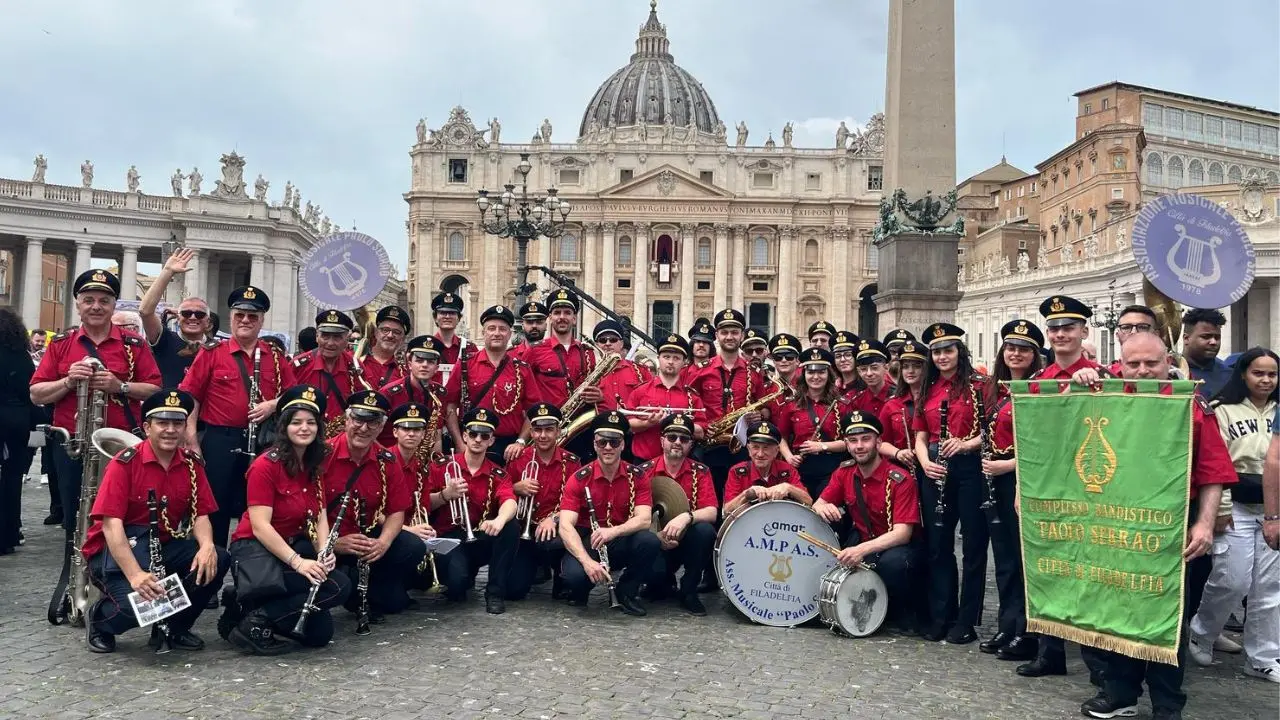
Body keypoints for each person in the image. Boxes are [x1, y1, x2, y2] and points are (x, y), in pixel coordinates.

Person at [1079, 331, 1236, 720]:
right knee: (1115, 610)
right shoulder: (1107, 396)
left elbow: (1212, 471)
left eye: (1152, 363)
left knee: (1168, 618)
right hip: (1114, 525)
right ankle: (1121, 693)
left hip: (1172, 527)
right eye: (1134, 364)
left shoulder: (1191, 406)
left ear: (1168, 362)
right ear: (1121, 364)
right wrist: (1078, 381)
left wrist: (1203, 524)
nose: (1143, 370)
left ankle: (1167, 702)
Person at [30, 269, 162, 624]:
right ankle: (75, 589)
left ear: (113, 304)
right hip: (73, 446)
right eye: (88, 300)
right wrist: (68, 380)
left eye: (103, 300)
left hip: (119, 449)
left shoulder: (134, 346)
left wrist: (120, 386)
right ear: (78, 304)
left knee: (120, 519)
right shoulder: (60, 345)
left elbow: (155, 391)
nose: (96, 306)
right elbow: (36, 392)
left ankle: (114, 590)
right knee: (76, 519)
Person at [83, 389, 229, 653]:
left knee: (218, 558)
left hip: (160, 547)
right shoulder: (124, 464)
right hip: (114, 553)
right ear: (147, 427)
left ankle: (176, 627)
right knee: (135, 608)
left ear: (186, 428)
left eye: (177, 423)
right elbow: (111, 525)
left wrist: (206, 545)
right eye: (163, 423)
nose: (170, 430)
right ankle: (100, 621)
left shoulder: (192, 464)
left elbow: (201, 513)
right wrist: (135, 575)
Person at [221, 385, 351, 655]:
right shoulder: (265, 465)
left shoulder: (314, 465)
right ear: (284, 427)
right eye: (296, 422)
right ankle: (254, 623)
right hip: (257, 549)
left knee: (319, 635)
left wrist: (323, 550)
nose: (304, 428)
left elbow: (320, 514)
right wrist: (299, 562)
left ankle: (246, 606)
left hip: (291, 546)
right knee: (339, 587)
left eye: (311, 423)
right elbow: (259, 526)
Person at [1188, 347, 1278, 682]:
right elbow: (1215, 461)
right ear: (1243, 374)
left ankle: (1262, 657)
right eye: (1259, 373)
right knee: (1232, 579)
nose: (1266, 380)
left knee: (1269, 587)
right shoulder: (1222, 410)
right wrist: (1220, 510)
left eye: (1272, 374)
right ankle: (1202, 630)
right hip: (1235, 504)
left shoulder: (1279, 410)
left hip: (1272, 508)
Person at [179, 286, 293, 550]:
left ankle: (253, 571)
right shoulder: (211, 353)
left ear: (262, 320)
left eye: (252, 317)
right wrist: (192, 439)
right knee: (213, 507)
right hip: (220, 440)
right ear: (231, 317)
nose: (245, 321)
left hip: (264, 442)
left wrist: (272, 405)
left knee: (260, 508)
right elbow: (191, 397)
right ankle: (212, 566)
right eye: (240, 314)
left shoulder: (275, 357)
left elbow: (292, 395)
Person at [912, 322, 988, 644]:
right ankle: (942, 615)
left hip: (971, 470)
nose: (943, 356)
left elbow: (992, 428)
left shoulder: (980, 385)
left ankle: (966, 620)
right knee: (939, 547)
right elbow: (920, 434)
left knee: (973, 547)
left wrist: (968, 443)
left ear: (960, 351)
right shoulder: (926, 388)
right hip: (936, 471)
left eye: (948, 350)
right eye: (937, 351)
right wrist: (925, 462)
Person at [812, 410, 919, 632]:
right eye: (853, 441)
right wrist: (824, 506)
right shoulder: (844, 473)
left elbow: (903, 533)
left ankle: (899, 614)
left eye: (866, 439)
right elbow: (817, 504)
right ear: (847, 445)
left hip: (896, 547)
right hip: (864, 542)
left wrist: (860, 550)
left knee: (894, 564)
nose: (859, 446)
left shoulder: (900, 479)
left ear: (879, 442)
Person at [323, 390, 425, 623]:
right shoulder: (322, 455)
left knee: (412, 548)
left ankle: (368, 589)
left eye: (373, 422)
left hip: (366, 541)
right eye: (358, 420)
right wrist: (333, 543)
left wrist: (383, 543)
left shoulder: (386, 460)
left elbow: (396, 510)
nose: (364, 428)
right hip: (325, 541)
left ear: (381, 427)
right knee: (341, 588)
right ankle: (350, 586)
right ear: (347, 420)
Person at [978, 320, 1045, 663]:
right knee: (1003, 559)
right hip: (996, 480)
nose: (1015, 353)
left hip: (1024, 479)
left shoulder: (1038, 391)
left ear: (1035, 355)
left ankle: (1029, 630)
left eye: (1023, 348)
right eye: (1010, 348)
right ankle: (1008, 623)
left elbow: (1047, 446)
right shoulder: (997, 391)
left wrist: (1010, 466)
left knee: (1023, 559)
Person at [558, 411, 660, 616]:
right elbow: (565, 525)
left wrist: (613, 532)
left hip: (619, 538)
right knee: (575, 579)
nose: (608, 447)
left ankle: (627, 591)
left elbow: (644, 519)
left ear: (623, 444)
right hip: (590, 541)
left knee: (649, 541)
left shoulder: (638, 476)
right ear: (594, 444)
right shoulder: (579, 478)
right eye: (602, 442)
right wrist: (587, 561)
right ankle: (582, 586)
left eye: (614, 442)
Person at [426, 407, 519, 614]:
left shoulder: (498, 473)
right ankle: (462, 575)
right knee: (457, 586)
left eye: (484, 436)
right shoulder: (442, 467)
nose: (478, 439)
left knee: (511, 526)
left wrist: (499, 521)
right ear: (465, 436)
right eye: (473, 434)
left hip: (480, 534)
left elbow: (510, 501)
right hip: (450, 538)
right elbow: (423, 505)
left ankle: (494, 593)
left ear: (491, 441)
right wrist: (444, 495)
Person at [442, 305, 543, 463]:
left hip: (509, 448)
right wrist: (460, 443)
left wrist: (521, 441)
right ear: (483, 333)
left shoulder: (522, 368)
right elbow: (449, 405)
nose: (497, 333)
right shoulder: (465, 365)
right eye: (491, 328)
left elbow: (533, 409)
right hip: (472, 443)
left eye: (502, 329)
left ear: (510, 334)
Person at [640, 414, 717, 615]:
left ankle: (689, 591)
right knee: (656, 582)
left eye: (684, 439)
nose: (677, 443)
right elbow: (633, 515)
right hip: (655, 539)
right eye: (672, 437)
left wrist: (687, 517)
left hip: (686, 539)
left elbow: (711, 511)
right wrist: (656, 537)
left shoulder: (700, 471)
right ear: (662, 440)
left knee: (705, 531)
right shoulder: (644, 472)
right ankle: (657, 582)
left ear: (691, 444)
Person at [689, 309, 767, 504]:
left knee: (742, 501)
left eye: (734, 332)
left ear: (741, 335)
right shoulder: (699, 371)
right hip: (708, 446)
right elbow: (690, 405)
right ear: (716, 336)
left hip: (740, 447)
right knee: (708, 500)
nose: (729, 337)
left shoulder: (754, 372)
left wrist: (759, 415)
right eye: (724, 332)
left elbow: (764, 407)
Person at [505, 403, 581, 600]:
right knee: (514, 590)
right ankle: (536, 567)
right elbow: (499, 494)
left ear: (558, 431)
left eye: (549, 429)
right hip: (525, 529)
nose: (543, 435)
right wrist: (515, 488)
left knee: (560, 537)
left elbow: (575, 502)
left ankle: (561, 575)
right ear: (531, 431)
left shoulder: (572, 462)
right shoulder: (519, 459)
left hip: (556, 531)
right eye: (537, 430)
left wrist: (554, 519)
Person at [776, 347, 847, 498]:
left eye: (821, 372)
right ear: (804, 374)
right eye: (811, 372)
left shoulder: (841, 404)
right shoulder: (791, 404)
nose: (816, 377)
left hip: (832, 468)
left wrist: (822, 446)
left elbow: (849, 441)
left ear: (829, 374)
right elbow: (780, 436)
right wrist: (789, 457)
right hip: (801, 467)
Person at [139, 248, 214, 387]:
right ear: (177, 318)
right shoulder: (164, 340)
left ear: (208, 322)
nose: (192, 317)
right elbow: (145, 311)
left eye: (199, 314)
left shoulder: (217, 348)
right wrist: (168, 271)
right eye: (186, 313)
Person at [626, 333, 705, 462]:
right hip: (644, 461)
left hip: (679, 463)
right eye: (666, 357)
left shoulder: (692, 396)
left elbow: (701, 432)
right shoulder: (640, 391)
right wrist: (648, 423)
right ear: (658, 358)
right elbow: (628, 424)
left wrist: (677, 422)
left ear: (684, 362)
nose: (670, 362)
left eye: (676, 358)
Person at [293, 310, 370, 434]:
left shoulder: (356, 367)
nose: (330, 343)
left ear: (347, 339)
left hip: (342, 438)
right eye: (325, 336)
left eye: (337, 337)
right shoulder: (298, 366)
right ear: (317, 337)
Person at [0, 308, 36, 555]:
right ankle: (10, 532)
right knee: (13, 479)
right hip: (16, 420)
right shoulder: (21, 356)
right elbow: (30, 390)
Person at [722, 421, 809, 516]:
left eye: (766, 448)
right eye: (755, 447)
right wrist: (746, 494)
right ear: (749, 450)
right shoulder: (737, 471)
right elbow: (726, 511)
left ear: (776, 451)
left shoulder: (787, 470)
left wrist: (788, 488)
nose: (760, 454)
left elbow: (808, 501)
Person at [378, 335, 445, 449]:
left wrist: (435, 461)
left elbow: (436, 435)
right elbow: (371, 435)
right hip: (389, 457)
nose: (424, 365)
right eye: (419, 360)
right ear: (409, 364)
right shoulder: (388, 393)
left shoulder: (439, 393)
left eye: (430, 362)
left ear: (436, 367)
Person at [593, 319, 652, 414]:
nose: (608, 343)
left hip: (632, 425)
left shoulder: (640, 371)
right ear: (596, 345)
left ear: (621, 344)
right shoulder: (589, 371)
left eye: (613, 340)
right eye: (602, 340)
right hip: (601, 425)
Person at [1182, 308, 1231, 398]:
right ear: (1186, 338)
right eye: (1206, 337)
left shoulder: (1230, 376)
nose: (1213, 342)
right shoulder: (1170, 373)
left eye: (1217, 337)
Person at [359, 306, 411, 390]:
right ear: (376, 332)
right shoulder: (355, 363)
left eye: (396, 332)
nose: (390, 335)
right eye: (385, 330)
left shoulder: (406, 374)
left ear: (402, 339)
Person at [1106, 305, 1161, 375]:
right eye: (1126, 327)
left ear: (1156, 335)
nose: (1133, 332)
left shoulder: (1174, 377)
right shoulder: (1104, 377)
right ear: (1117, 335)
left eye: (1142, 327)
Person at [851, 340, 894, 417]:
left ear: (886, 368)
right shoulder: (856, 401)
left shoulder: (898, 396)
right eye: (863, 369)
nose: (869, 373)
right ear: (858, 371)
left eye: (874, 368)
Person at [430, 291, 468, 366]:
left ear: (459, 318)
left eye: (452, 313)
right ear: (435, 318)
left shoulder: (469, 348)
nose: (447, 317)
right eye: (443, 313)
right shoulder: (426, 346)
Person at [831, 331, 862, 400]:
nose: (842, 359)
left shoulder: (865, 386)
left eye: (848, 355)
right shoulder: (832, 389)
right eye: (838, 356)